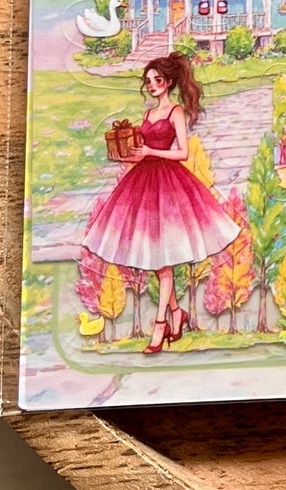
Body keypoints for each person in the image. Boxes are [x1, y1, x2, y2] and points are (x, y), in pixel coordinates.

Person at [83, 54, 241, 354]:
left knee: (163, 260)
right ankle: (177, 313)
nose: (152, 85)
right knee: (159, 260)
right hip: (143, 184)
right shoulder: (148, 114)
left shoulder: (176, 112)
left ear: (168, 82)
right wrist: (130, 153)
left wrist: (150, 153)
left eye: (157, 80)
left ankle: (160, 326)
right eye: (148, 81)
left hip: (169, 186)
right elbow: (142, 149)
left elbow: (182, 152)